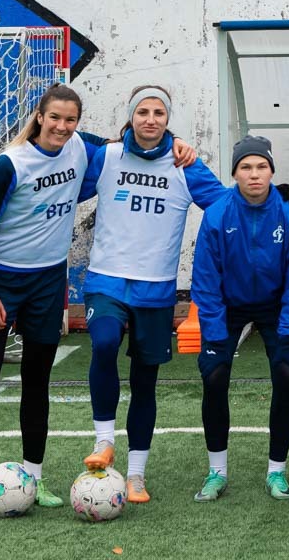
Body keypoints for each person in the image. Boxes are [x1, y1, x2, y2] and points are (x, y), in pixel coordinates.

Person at [0, 84, 109, 519]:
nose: (63, 127)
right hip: (0, 282)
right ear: (39, 117)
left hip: (47, 282)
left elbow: (126, 142)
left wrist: (176, 145)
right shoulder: (9, 165)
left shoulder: (81, 146)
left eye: (71, 119)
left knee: (37, 383)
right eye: (55, 118)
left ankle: (34, 477)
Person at [81, 85, 220, 504]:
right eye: (142, 111)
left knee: (146, 382)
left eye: (159, 112)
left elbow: (225, 206)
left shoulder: (185, 165)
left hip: (156, 289)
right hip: (106, 280)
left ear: (167, 119)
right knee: (103, 343)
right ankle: (104, 440)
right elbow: (64, 161)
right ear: (130, 116)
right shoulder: (105, 157)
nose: (151, 119)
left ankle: (137, 475)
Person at [188, 135, 289, 502]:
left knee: (288, 372)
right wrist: (213, 333)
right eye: (246, 167)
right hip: (229, 305)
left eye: (261, 167)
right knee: (213, 376)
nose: (254, 174)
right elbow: (206, 281)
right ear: (235, 173)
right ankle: (217, 471)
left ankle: (276, 471)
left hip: (275, 305)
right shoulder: (217, 214)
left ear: (272, 171)